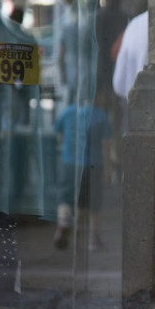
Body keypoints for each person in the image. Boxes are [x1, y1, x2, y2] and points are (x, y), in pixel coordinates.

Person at [52, 95, 112, 250]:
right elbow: (106, 145)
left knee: (66, 197)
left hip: (69, 163)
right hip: (93, 164)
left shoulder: (68, 112)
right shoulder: (100, 115)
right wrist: (107, 168)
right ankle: (93, 237)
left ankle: (63, 221)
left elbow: (58, 134)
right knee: (93, 202)